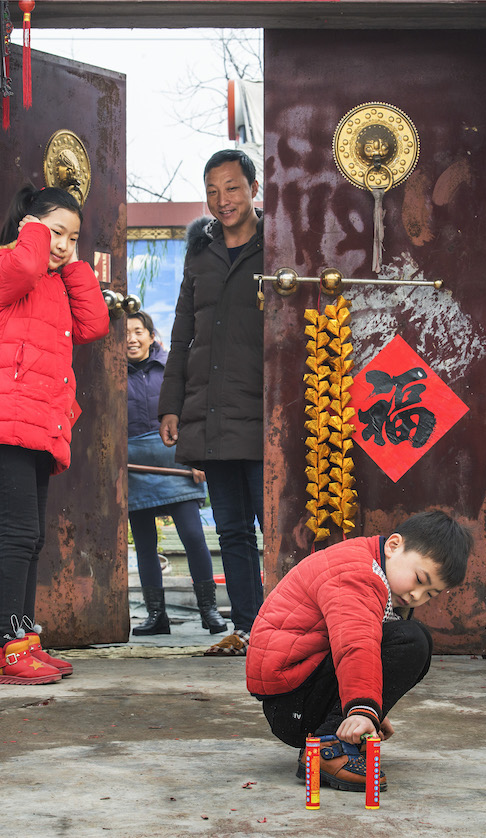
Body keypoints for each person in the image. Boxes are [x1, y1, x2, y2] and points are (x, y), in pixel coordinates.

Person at [0, 184, 109, 685]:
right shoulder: (4, 269)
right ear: (29, 226)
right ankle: (5, 648)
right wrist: (33, 230)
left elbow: (94, 324)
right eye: (56, 232)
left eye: (73, 236)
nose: (65, 243)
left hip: (41, 423)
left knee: (34, 537)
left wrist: (68, 262)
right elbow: (26, 265)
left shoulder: (57, 281)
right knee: (18, 534)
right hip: (6, 419)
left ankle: (24, 640)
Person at [245, 510, 473, 792]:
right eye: (419, 578)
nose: (417, 595)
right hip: (292, 701)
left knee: (405, 639)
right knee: (411, 640)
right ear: (393, 546)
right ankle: (328, 747)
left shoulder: (370, 564)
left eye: (430, 594)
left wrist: (375, 706)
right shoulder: (357, 573)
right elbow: (355, 643)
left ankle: (334, 735)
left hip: (297, 694)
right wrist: (362, 708)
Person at [158, 149, 264, 656]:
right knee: (232, 530)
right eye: (213, 191)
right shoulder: (199, 253)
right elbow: (182, 335)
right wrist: (170, 404)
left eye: (233, 188)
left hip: (265, 412)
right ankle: (249, 629)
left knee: (278, 524)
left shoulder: (278, 246)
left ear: (254, 188)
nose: (223, 200)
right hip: (213, 413)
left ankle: (292, 627)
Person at [126, 310, 227, 636]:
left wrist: (198, 459)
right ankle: (157, 616)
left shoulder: (173, 368)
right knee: (144, 545)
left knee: (194, 538)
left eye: (138, 331)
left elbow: (194, 413)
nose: (131, 338)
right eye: (125, 333)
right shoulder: (110, 373)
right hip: (133, 468)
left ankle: (209, 611)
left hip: (176, 463)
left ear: (151, 335)